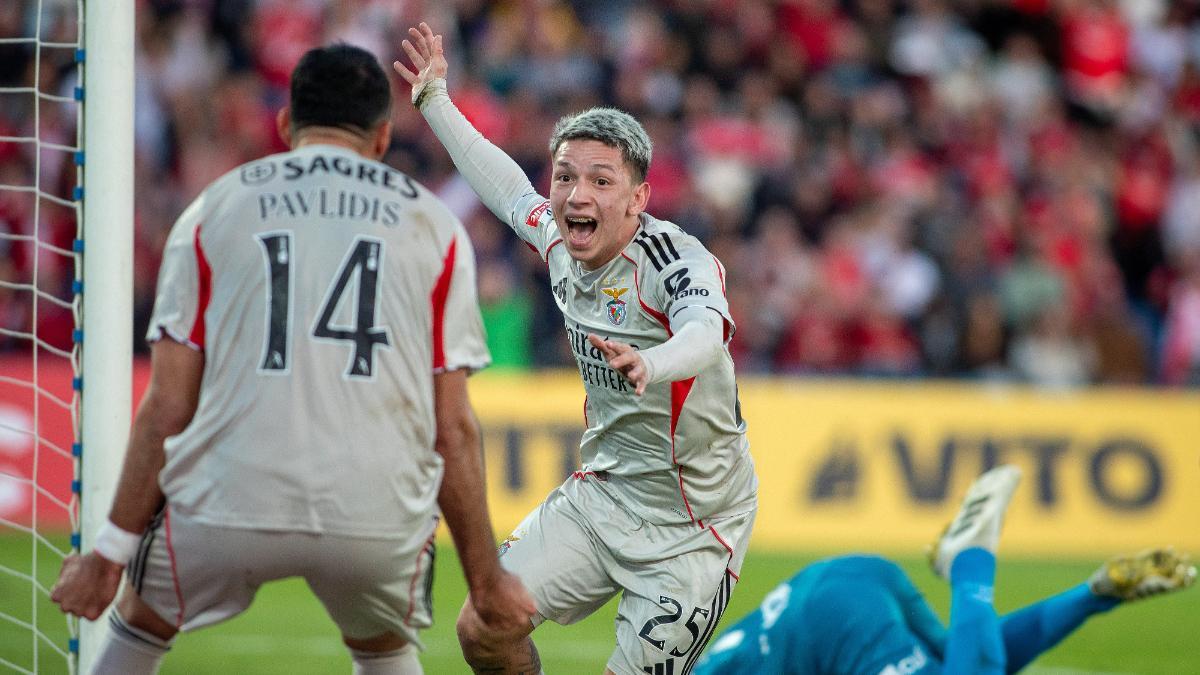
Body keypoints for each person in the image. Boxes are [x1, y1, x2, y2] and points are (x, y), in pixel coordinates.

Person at [50, 44, 535, 674]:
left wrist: (107, 555)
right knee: (383, 644)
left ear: (285, 125)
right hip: (374, 510)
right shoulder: (434, 228)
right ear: (383, 137)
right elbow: (454, 428)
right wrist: (486, 580)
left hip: (227, 497)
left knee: (139, 625)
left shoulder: (213, 210)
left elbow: (167, 404)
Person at [395, 22, 758, 675]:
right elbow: (507, 191)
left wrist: (656, 360)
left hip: (693, 525)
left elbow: (705, 333)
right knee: (485, 623)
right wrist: (436, 102)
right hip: (604, 494)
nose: (576, 195)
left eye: (600, 180)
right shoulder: (561, 241)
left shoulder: (678, 260)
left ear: (639, 198)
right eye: (565, 177)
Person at [693, 465, 1197, 674]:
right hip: (852, 583)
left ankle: (969, 562)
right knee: (966, 662)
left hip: (828, 624)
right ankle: (1097, 593)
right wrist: (1094, 598)